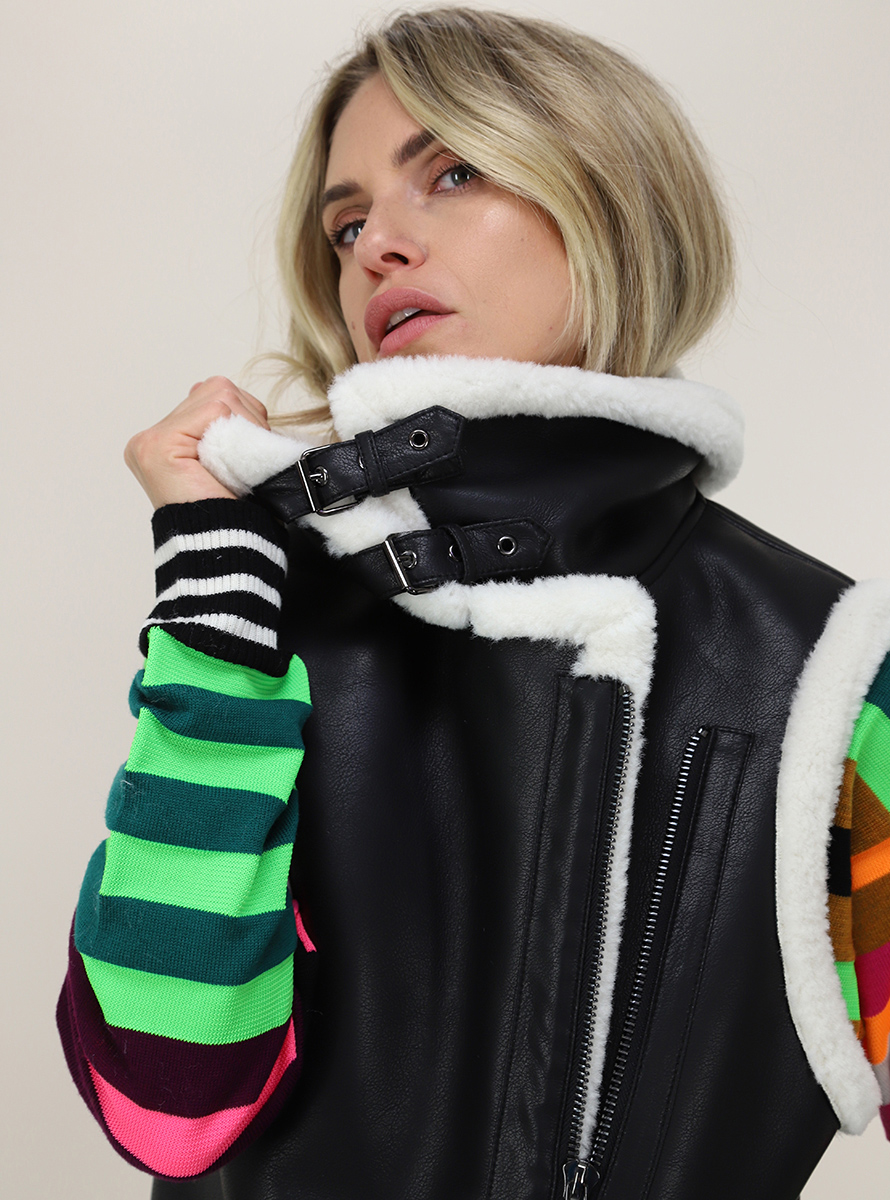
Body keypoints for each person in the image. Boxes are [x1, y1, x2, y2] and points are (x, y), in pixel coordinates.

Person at [57, 8, 890, 1199]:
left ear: (609, 196)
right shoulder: (263, 617)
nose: (377, 249)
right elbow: (166, 1101)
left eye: (450, 173)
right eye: (346, 225)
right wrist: (212, 595)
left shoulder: (829, 673)